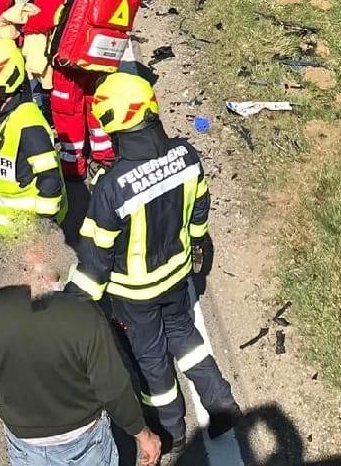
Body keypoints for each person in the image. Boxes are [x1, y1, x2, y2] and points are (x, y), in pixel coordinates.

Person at [71, 74, 239, 456]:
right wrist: (196, 241)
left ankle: (172, 431)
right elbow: (200, 207)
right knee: (185, 337)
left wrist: (73, 301)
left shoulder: (111, 186)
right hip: (178, 274)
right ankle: (221, 404)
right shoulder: (186, 154)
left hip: (135, 292)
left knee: (152, 360)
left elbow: (96, 256)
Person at [0, 227, 162, 466]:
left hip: (25, 443)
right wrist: (143, 434)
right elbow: (113, 388)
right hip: (83, 440)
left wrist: (12, 407)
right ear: (57, 264)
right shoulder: (83, 315)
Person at [14, 0, 113, 179]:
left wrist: (25, 25)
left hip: (68, 58)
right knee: (93, 100)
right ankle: (104, 154)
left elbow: (46, 17)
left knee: (66, 108)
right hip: (90, 52)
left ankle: (73, 163)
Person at [0, 37, 65, 240]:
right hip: (14, 228)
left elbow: (50, 180)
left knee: (41, 273)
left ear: (7, 82)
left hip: (31, 230)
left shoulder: (29, 125)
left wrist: (43, 230)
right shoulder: (2, 109)